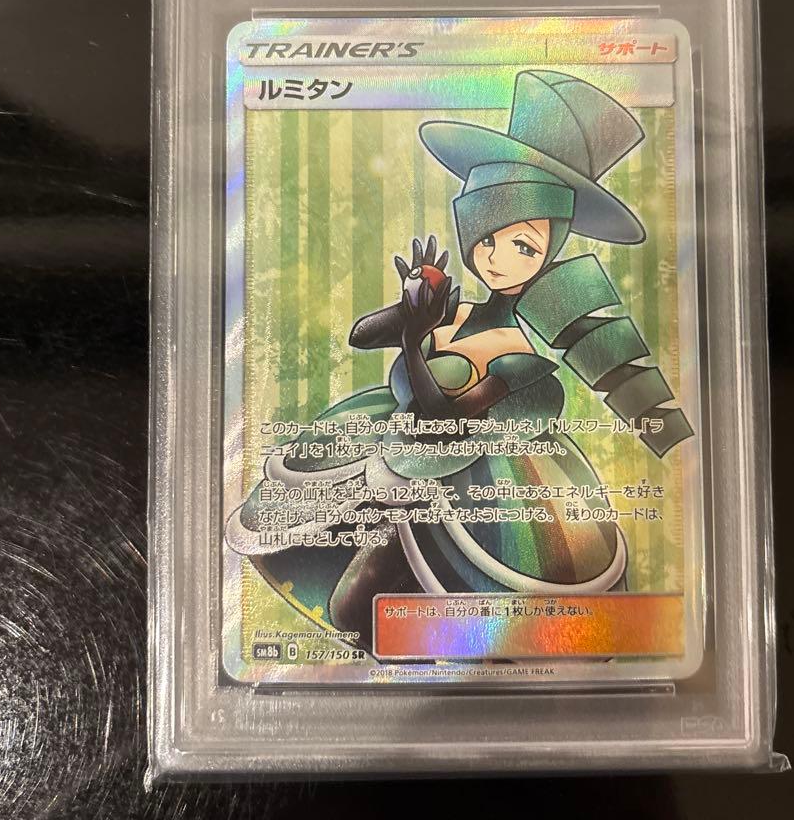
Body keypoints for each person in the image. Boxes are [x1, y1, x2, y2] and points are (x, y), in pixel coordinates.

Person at [227, 70, 692, 651]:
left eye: (522, 245)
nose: (496, 258)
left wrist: (413, 341)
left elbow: (445, 417)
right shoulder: (454, 306)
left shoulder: (522, 355)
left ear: (551, 250)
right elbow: (361, 335)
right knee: (349, 603)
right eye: (486, 238)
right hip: (394, 456)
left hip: (485, 496)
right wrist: (409, 309)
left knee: (368, 609)